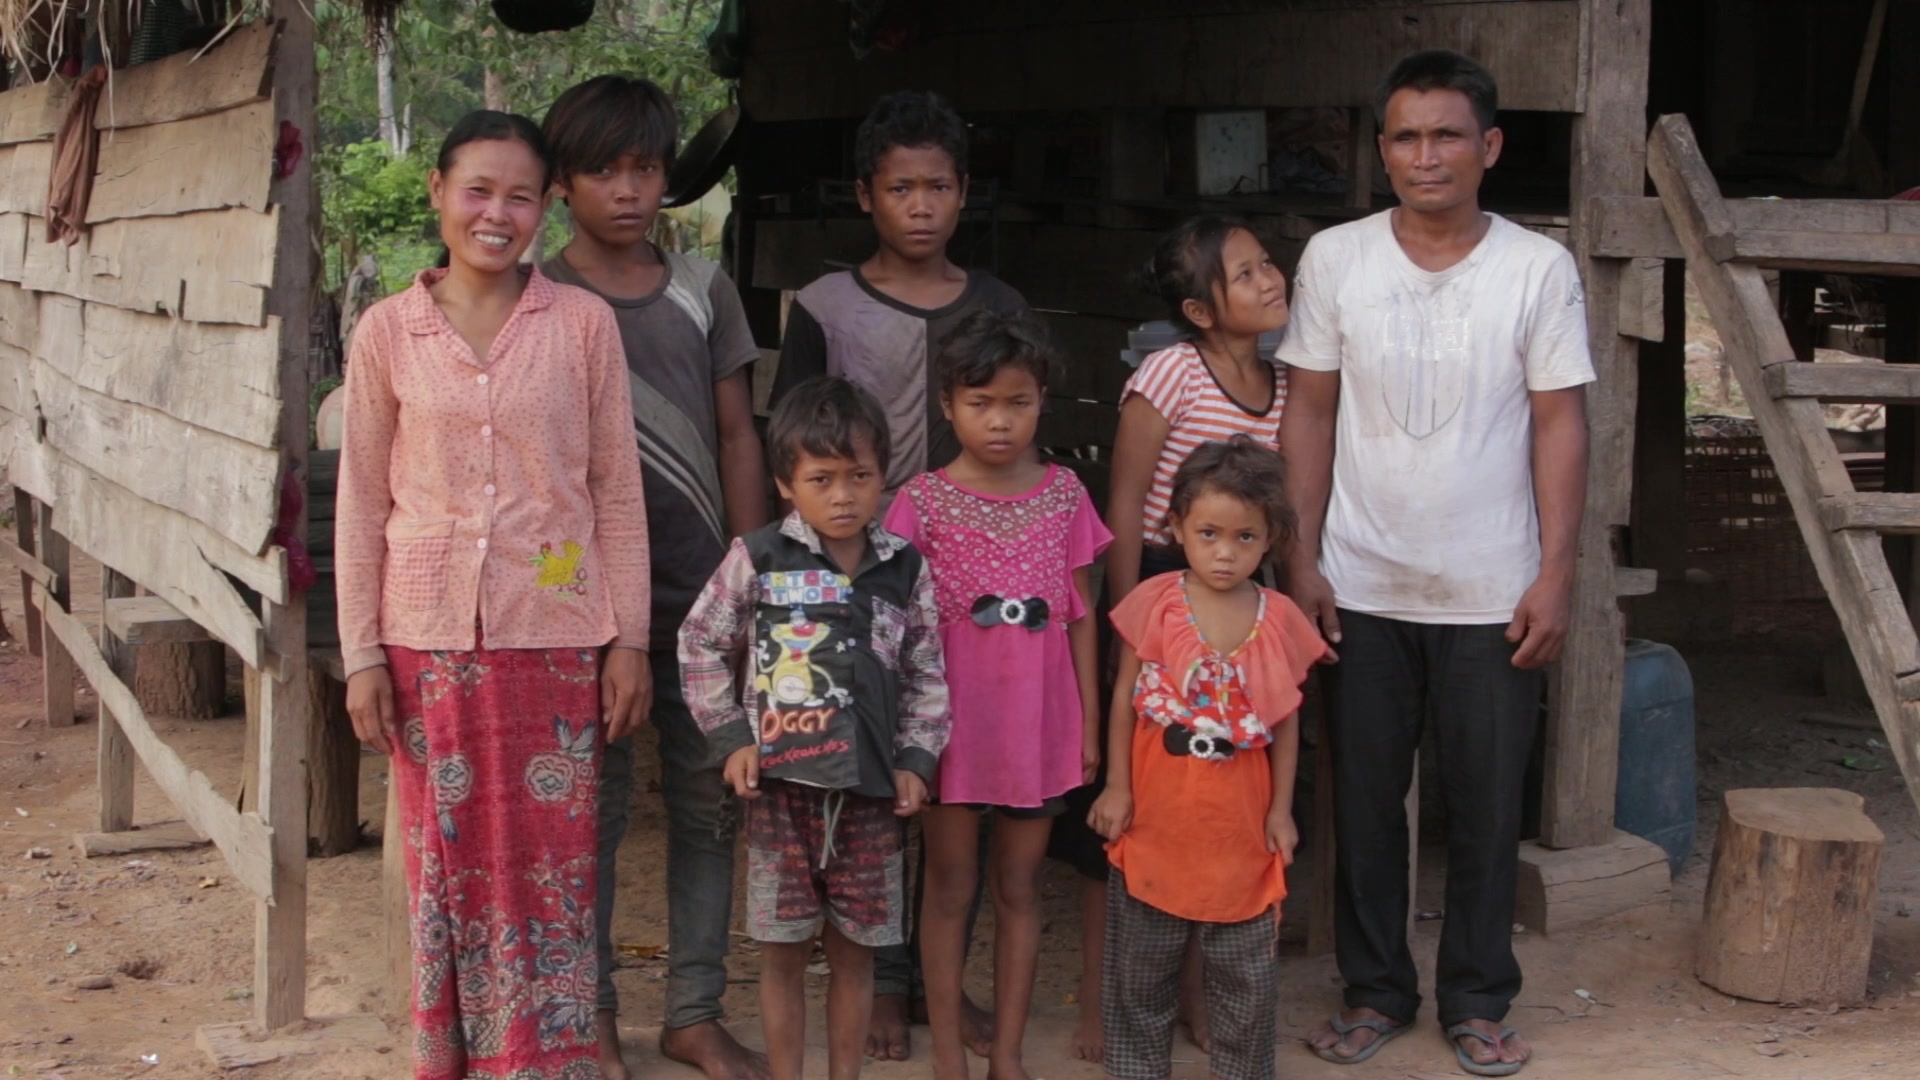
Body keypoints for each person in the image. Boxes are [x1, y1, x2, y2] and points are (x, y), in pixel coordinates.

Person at [1281, 50, 1593, 1077]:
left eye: (1448, 134)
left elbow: (1560, 423)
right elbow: (1311, 411)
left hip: (1492, 587)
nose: (1428, 155)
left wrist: (1555, 571)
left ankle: (1475, 998)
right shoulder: (1337, 259)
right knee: (1366, 799)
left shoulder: (1536, 269)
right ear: (1383, 151)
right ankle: (1376, 991)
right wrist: (1305, 552)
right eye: (1407, 136)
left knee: (1486, 799)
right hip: (1361, 581)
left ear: (1489, 148)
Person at [337, 110, 651, 1080]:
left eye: (521, 195)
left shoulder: (582, 326)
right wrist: (356, 654)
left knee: (553, 868)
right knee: (447, 866)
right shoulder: (388, 332)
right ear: (436, 191)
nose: (497, 214)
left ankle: (546, 1059)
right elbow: (360, 497)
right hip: (424, 640)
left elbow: (609, 489)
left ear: (547, 205)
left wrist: (626, 636)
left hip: (554, 633)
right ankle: (455, 1057)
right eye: (478, 190)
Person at [771, 88, 1015, 1058]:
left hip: (974, 577)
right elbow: (790, 434)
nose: (921, 205)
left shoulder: (997, 305)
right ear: (866, 195)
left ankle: (941, 985)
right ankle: (881, 977)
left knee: (955, 781)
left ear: (963, 195)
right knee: (871, 777)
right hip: (854, 570)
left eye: (939, 187)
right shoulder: (826, 307)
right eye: (901, 187)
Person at [539, 74, 770, 1080]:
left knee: (708, 799)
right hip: (584, 603)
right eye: (603, 171)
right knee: (590, 811)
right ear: (561, 183)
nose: (628, 190)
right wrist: (564, 599)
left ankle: (693, 1010)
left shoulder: (701, 287)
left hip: (702, 592)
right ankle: (591, 1007)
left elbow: (734, 430)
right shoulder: (540, 297)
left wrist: (753, 572)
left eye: (645, 169)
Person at [1052, 213, 1293, 1060]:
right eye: (1246, 273)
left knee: (1209, 803)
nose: (1270, 279)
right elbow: (1122, 501)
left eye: (1268, 264)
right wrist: (1134, 626)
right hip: (1155, 582)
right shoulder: (1169, 374)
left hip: (1237, 593)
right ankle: (1101, 1005)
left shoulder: (1283, 384)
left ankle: (1193, 1003)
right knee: (1126, 814)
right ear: (1199, 311)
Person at [679, 376, 952, 1080]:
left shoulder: (906, 569)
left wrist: (917, 760)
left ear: (884, 477)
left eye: (859, 477)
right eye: (820, 478)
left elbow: (927, 672)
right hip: (780, 795)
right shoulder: (760, 557)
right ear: (785, 483)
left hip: (870, 798)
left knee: (858, 952)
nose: (842, 496)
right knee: (782, 952)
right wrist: (733, 737)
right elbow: (700, 642)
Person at [882, 311, 1110, 1080]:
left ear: (1042, 399)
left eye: (1017, 402)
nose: (1000, 420)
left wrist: (1087, 726)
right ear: (947, 405)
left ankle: (1006, 1056)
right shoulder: (922, 502)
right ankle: (949, 1053)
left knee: (1022, 888)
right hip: (951, 734)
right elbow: (901, 630)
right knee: (950, 887)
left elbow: (1080, 618)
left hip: (1040, 732)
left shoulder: (1067, 496)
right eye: (980, 403)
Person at [1087, 436, 1326, 1080]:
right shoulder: (1156, 602)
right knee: (1140, 981)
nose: (1225, 552)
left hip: (1240, 835)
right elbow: (1123, 699)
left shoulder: (1276, 618)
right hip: (1155, 826)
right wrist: (1116, 787)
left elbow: (1286, 721)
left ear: (1271, 538)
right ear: (1176, 528)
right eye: (1209, 532)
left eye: (1246, 537)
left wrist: (1281, 811)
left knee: (1245, 987)